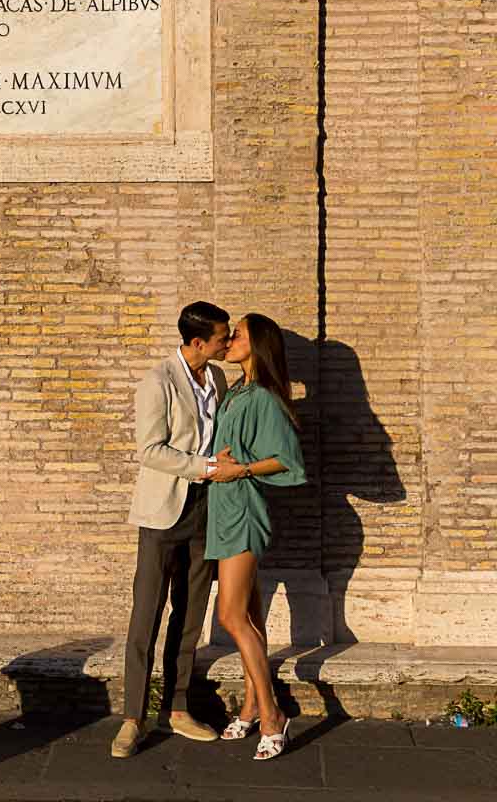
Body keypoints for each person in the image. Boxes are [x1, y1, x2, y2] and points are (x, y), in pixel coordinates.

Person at [111, 301, 231, 758]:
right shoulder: (158, 381)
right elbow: (149, 450)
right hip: (163, 510)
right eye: (222, 336)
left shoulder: (217, 379)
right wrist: (204, 467)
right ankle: (132, 718)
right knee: (147, 614)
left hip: (206, 508)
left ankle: (177, 709)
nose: (227, 341)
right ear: (198, 342)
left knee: (191, 612)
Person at [207, 313, 307, 761]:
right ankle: (249, 706)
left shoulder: (264, 397)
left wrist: (241, 469)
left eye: (239, 334)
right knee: (249, 615)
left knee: (230, 617)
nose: (229, 340)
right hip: (223, 510)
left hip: (242, 513)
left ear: (259, 344)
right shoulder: (237, 392)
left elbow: (288, 460)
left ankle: (271, 714)